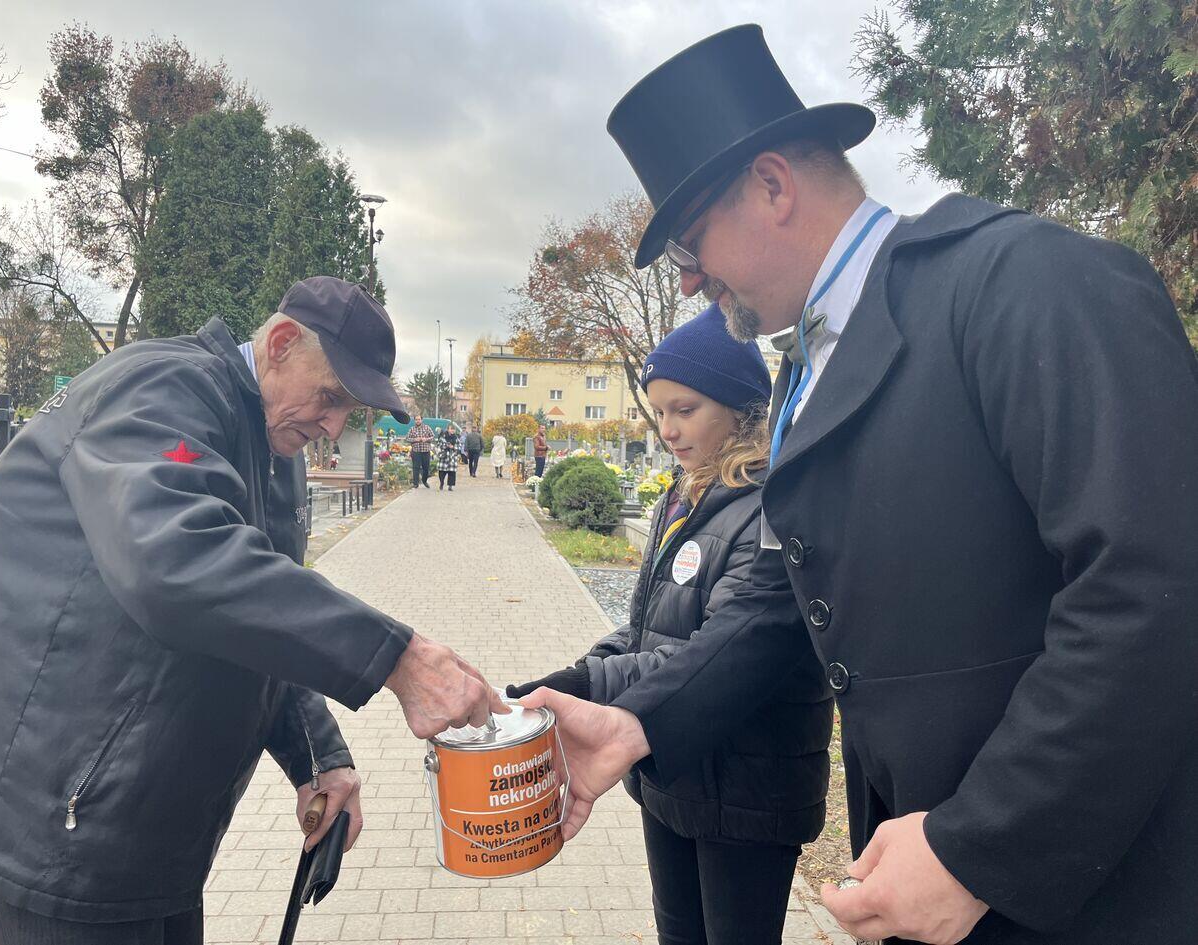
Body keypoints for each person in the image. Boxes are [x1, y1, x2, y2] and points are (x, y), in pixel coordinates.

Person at [523, 25, 1198, 945]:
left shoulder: (1022, 282)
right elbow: (778, 612)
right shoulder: (804, 375)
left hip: (1084, 892)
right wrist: (635, 721)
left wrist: (978, 847)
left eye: (690, 246)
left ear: (773, 185)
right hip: (921, 879)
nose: (688, 284)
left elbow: (1155, 587)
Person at [0, 277, 505, 944]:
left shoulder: (273, 440)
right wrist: (396, 657)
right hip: (65, 827)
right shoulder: (162, 389)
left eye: (348, 410)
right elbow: (175, 565)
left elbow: (255, 617)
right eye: (330, 397)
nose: (333, 426)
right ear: (281, 342)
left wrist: (319, 758)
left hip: (148, 826)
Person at [509, 304, 831, 945]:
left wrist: (590, 687)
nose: (668, 430)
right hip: (668, 769)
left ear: (740, 407)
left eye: (685, 409)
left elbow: (723, 645)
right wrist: (579, 673)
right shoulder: (683, 497)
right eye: (659, 412)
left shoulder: (771, 506)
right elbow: (643, 627)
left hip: (748, 785)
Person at [406, 413, 434, 488]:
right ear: (414, 420)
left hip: (426, 451)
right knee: (416, 467)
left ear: (422, 420)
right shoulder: (412, 429)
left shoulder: (427, 428)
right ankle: (415, 483)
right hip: (416, 451)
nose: (418, 421)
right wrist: (415, 439)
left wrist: (426, 439)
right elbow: (407, 438)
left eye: (419, 419)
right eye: (416, 419)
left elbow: (433, 437)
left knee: (426, 468)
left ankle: (424, 481)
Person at [436, 426, 463, 491]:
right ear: (448, 429)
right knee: (442, 472)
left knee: (452, 472)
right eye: (451, 429)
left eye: (454, 429)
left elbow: (459, 446)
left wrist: (453, 447)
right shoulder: (443, 437)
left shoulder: (456, 438)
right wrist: (446, 446)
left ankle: (450, 486)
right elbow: (438, 445)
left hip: (452, 457)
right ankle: (441, 483)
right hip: (444, 456)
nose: (452, 430)